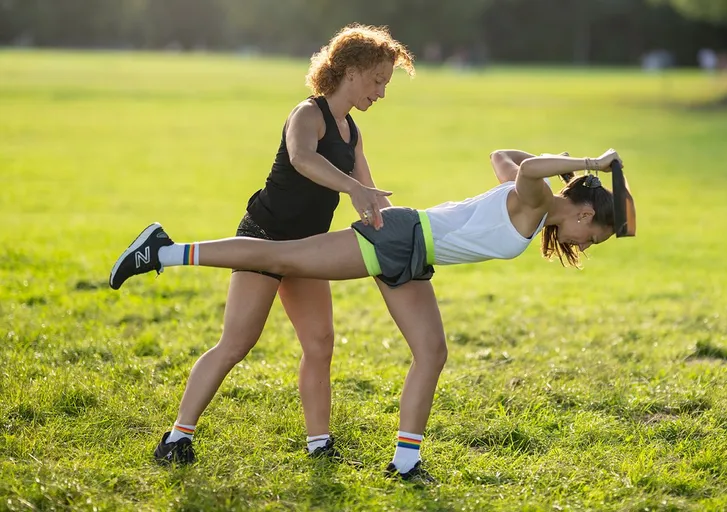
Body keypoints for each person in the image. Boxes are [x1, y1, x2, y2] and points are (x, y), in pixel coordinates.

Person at [109, 148, 636, 482]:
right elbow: (522, 165)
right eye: (592, 236)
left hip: (412, 256)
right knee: (279, 257)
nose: (583, 245)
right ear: (586, 212)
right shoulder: (534, 199)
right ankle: (162, 252)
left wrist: (569, 166)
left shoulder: (535, 199)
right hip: (398, 238)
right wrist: (586, 163)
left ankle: (406, 462)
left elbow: (504, 156)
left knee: (432, 351)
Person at [118, 23, 416, 467]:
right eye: (378, 80)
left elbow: (366, 192)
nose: (382, 92)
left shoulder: (352, 132)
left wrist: (384, 219)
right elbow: (302, 157)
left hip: (305, 250)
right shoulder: (308, 114)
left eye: (385, 84)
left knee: (320, 343)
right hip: (264, 237)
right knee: (236, 344)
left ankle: (320, 446)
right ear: (351, 71)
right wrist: (353, 189)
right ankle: (176, 438)